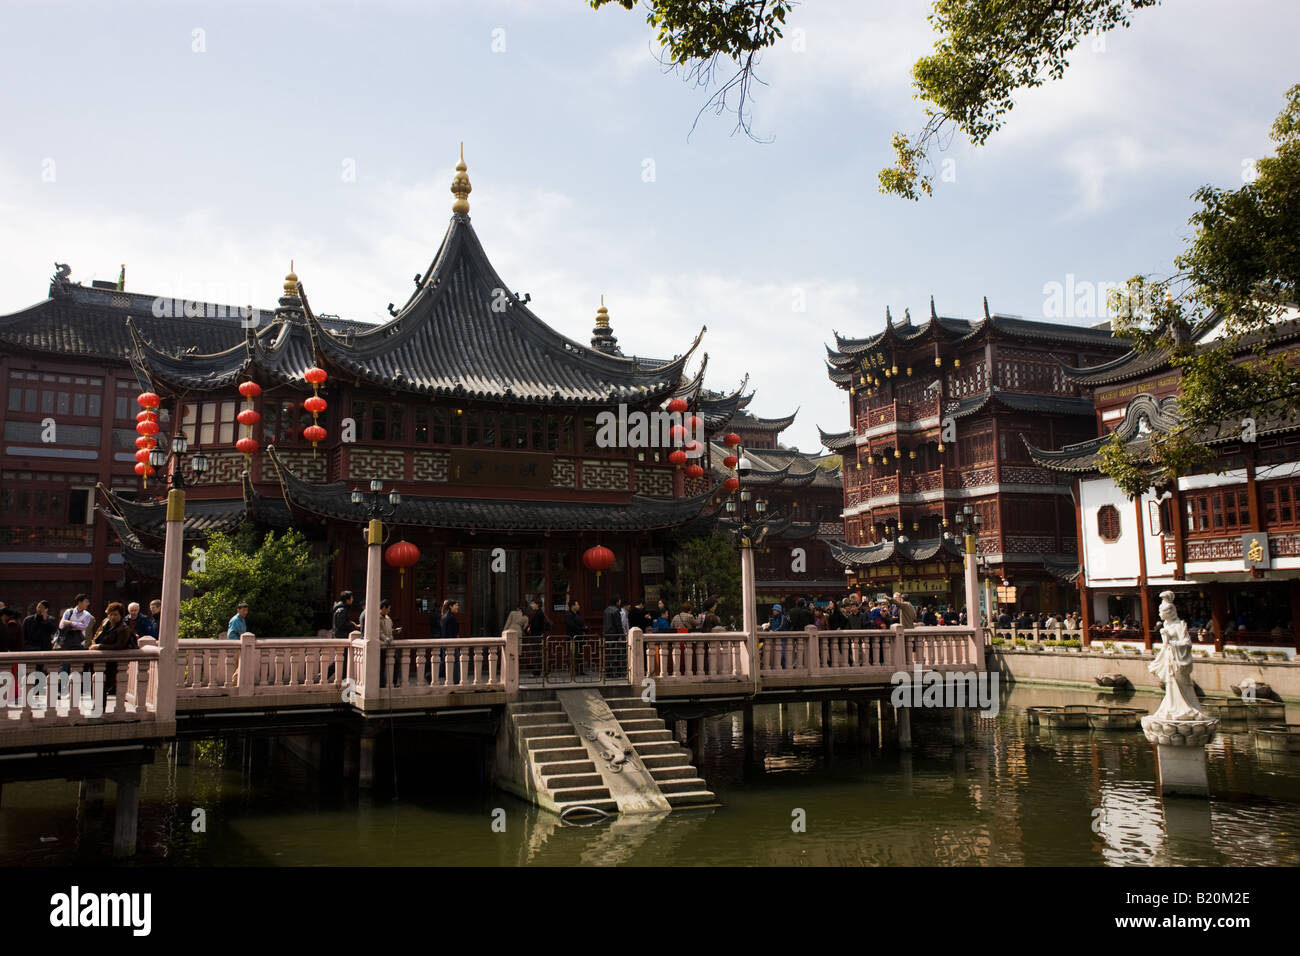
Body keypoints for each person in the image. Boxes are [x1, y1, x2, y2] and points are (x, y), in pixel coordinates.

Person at [91, 601, 136, 697]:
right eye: (110, 614)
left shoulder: (124, 629)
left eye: (115, 614)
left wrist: (100, 646)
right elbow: (97, 635)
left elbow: (119, 645)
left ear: (121, 615)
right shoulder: (105, 623)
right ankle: (97, 707)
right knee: (97, 684)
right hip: (99, 658)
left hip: (112, 662)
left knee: (105, 684)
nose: (112, 617)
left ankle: (100, 708)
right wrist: (94, 644)